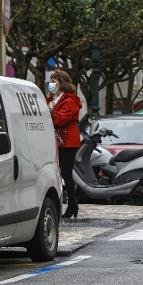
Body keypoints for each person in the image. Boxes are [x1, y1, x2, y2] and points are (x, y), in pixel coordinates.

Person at [47, 69, 82, 218]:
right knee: (59, 173)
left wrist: (50, 109)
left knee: (66, 173)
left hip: (67, 141)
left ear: (61, 83)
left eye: (54, 81)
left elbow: (59, 120)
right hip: (55, 141)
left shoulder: (70, 101)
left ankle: (72, 204)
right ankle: (70, 204)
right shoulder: (53, 99)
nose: (51, 84)